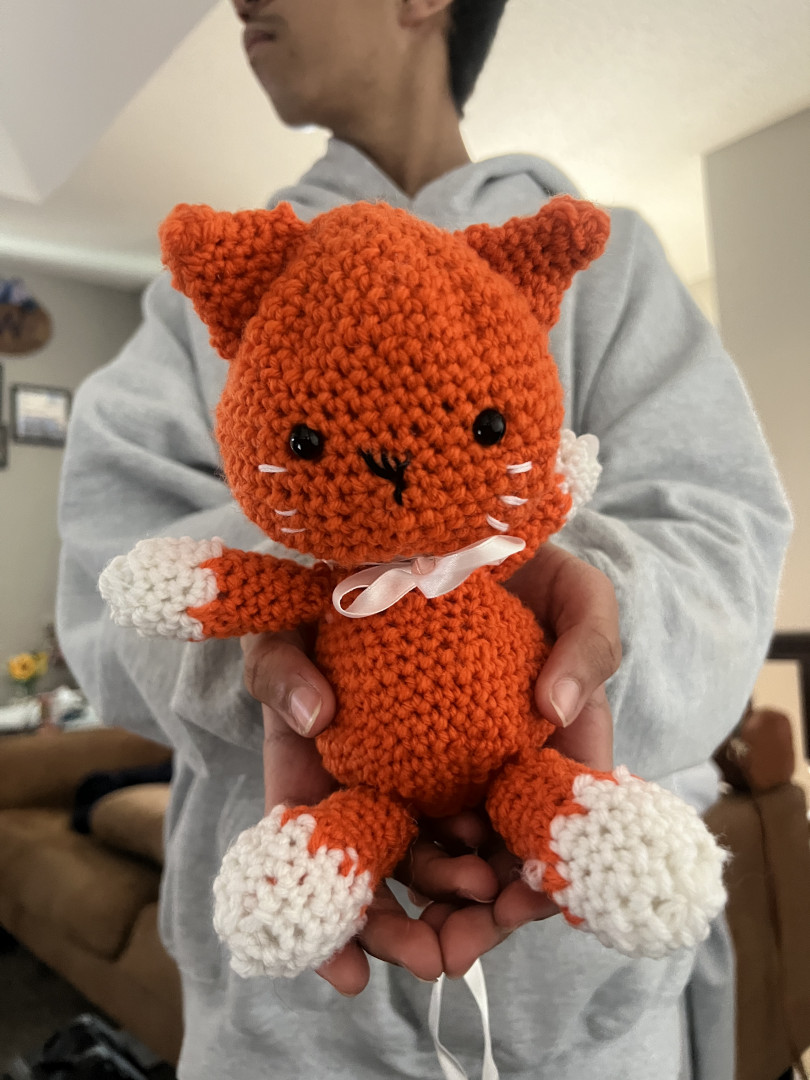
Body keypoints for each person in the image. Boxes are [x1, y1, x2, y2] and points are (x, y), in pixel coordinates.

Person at [56, 1, 791, 1078]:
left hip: (587, 1019)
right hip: (285, 1031)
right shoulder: (211, 296)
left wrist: (558, 619)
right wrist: (294, 623)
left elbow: (726, 553)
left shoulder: (614, 260)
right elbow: (109, 588)